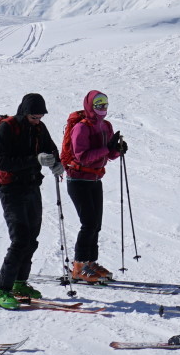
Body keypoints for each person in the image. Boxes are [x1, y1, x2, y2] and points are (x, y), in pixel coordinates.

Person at [0, 92, 57, 310]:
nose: (37, 121)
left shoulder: (39, 128)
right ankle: (2, 289)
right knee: (19, 239)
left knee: (32, 238)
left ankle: (19, 282)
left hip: (32, 186)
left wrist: (56, 162)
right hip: (11, 189)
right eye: (34, 117)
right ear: (24, 112)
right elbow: (4, 162)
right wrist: (35, 159)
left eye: (40, 117)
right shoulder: (7, 128)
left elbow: (50, 148)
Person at [53, 90, 127, 283]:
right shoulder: (81, 128)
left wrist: (117, 150)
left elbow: (108, 155)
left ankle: (90, 263)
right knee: (88, 224)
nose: (102, 107)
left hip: (95, 180)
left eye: (105, 104)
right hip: (78, 181)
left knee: (96, 224)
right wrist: (108, 148)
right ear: (90, 105)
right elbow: (82, 157)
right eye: (98, 104)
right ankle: (79, 266)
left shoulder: (106, 126)